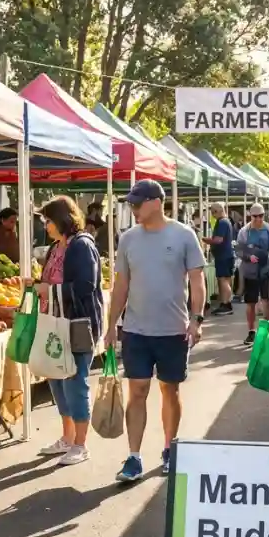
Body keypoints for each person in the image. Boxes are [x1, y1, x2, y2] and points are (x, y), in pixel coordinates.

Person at [104, 180, 206, 481]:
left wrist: (196, 319)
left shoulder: (184, 235)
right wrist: (111, 325)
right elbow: (121, 284)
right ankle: (133, 457)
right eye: (131, 203)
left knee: (169, 390)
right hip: (136, 330)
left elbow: (197, 281)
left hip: (173, 330)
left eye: (137, 203)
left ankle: (169, 449)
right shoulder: (128, 239)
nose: (133, 209)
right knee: (137, 390)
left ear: (156, 202)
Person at [36, 196, 103, 466]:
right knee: (57, 379)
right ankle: (67, 437)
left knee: (75, 382)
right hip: (54, 323)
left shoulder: (82, 246)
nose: (46, 226)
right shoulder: (56, 246)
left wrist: (49, 290)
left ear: (62, 219)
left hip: (77, 325)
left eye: (48, 221)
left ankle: (80, 444)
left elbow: (85, 286)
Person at [235, 204, 269, 345]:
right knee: (250, 302)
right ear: (250, 216)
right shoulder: (244, 231)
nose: (259, 219)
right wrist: (249, 257)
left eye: (261, 216)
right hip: (250, 272)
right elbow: (239, 250)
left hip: (266, 270)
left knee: (266, 300)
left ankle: (266, 330)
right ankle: (251, 331)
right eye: (255, 216)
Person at [202, 202, 235, 315]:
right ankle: (225, 302)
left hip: (223, 255)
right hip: (226, 255)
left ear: (219, 210)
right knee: (226, 279)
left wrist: (206, 240)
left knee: (223, 279)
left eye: (214, 212)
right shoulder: (226, 222)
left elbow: (218, 240)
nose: (213, 214)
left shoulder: (222, 222)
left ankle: (226, 303)